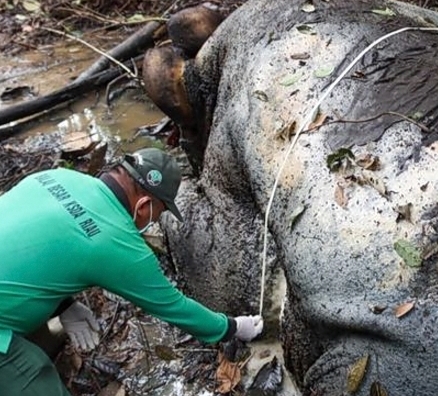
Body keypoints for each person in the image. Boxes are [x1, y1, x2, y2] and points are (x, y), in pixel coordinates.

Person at [0, 147, 264, 395]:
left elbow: (27, 249)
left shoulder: (58, 176)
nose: (154, 221)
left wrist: (64, 306)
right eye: (158, 214)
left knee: (34, 331)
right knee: (33, 373)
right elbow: (174, 306)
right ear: (144, 206)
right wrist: (231, 327)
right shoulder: (118, 243)